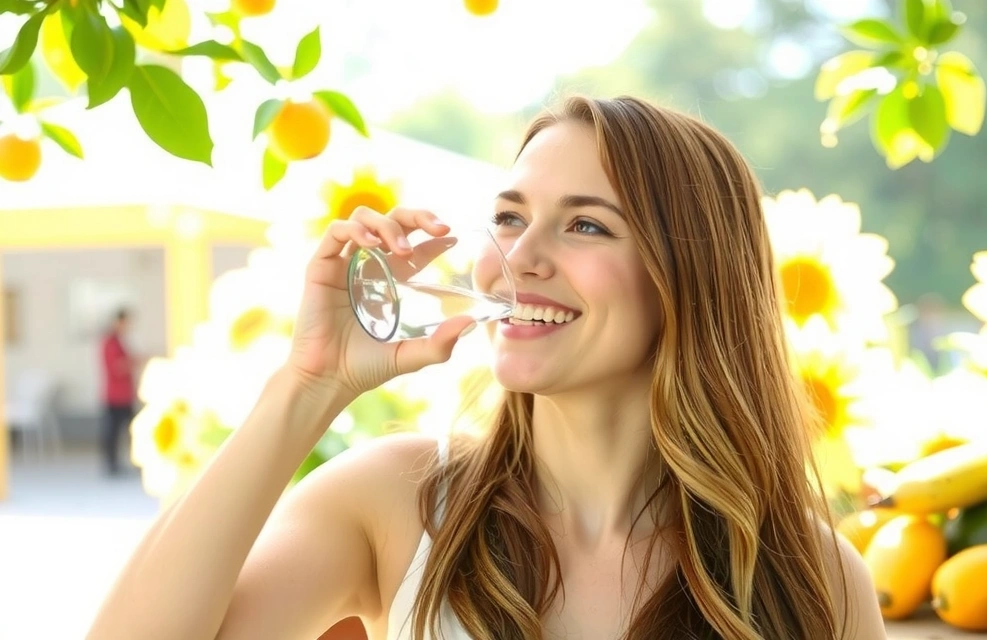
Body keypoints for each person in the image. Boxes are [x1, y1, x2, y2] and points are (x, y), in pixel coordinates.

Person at [87, 96, 886, 639]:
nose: (519, 257)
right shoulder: (399, 502)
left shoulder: (812, 577)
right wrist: (308, 386)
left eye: (586, 225)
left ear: (693, 277)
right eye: (509, 217)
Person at [99, 306, 137, 475]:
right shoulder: (110, 342)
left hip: (125, 394)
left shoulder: (119, 341)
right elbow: (117, 367)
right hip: (115, 395)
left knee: (130, 429)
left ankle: (129, 461)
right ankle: (111, 464)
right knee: (113, 432)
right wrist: (134, 361)